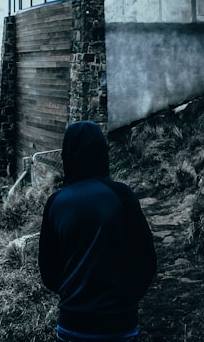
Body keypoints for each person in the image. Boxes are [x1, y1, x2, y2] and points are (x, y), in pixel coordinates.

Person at [38, 120, 157, 341]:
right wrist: (126, 298)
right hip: (119, 323)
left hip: (72, 324)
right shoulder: (122, 196)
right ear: (102, 151)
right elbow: (146, 259)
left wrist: (74, 295)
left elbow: (48, 271)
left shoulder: (56, 203)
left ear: (67, 155)